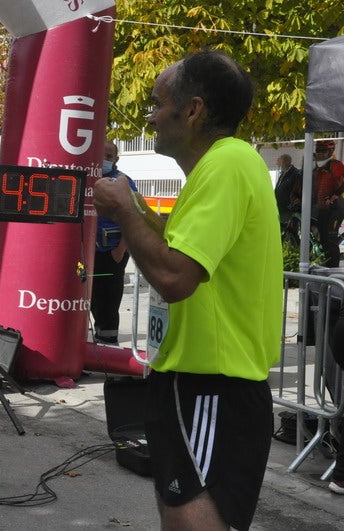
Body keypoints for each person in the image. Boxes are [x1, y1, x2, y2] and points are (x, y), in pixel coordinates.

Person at [93, 50, 282, 531]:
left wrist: (124, 214)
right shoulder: (220, 168)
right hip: (200, 385)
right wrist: (137, 209)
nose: (151, 116)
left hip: (211, 386)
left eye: (157, 104)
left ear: (193, 110)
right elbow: (179, 251)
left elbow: (176, 277)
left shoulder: (227, 166)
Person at [91, 140, 138, 345]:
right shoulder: (87, 178)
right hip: (87, 254)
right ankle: (96, 343)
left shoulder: (123, 182)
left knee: (108, 302)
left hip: (112, 253)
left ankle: (109, 346)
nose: (104, 160)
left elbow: (135, 218)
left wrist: (120, 250)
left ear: (116, 159)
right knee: (89, 300)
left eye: (109, 156)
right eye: (101, 155)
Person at [313, 139, 344, 267]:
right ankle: (326, 265)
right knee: (323, 238)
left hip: (335, 208)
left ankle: (334, 269)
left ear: (331, 151)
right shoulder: (317, 168)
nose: (320, 154)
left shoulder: (335, 165)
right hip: (322, 208)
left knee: (331, 239)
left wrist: (334, 195)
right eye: (318, 151)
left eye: (323, 151)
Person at [274, 153, 302, 226]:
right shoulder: (283, 174)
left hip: (289, 210)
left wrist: (291, 205)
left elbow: (295, 191)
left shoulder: (295, 174)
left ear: (285, 162)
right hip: (280, 209)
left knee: (289, 232)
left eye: (279, 162)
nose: (277, 164)